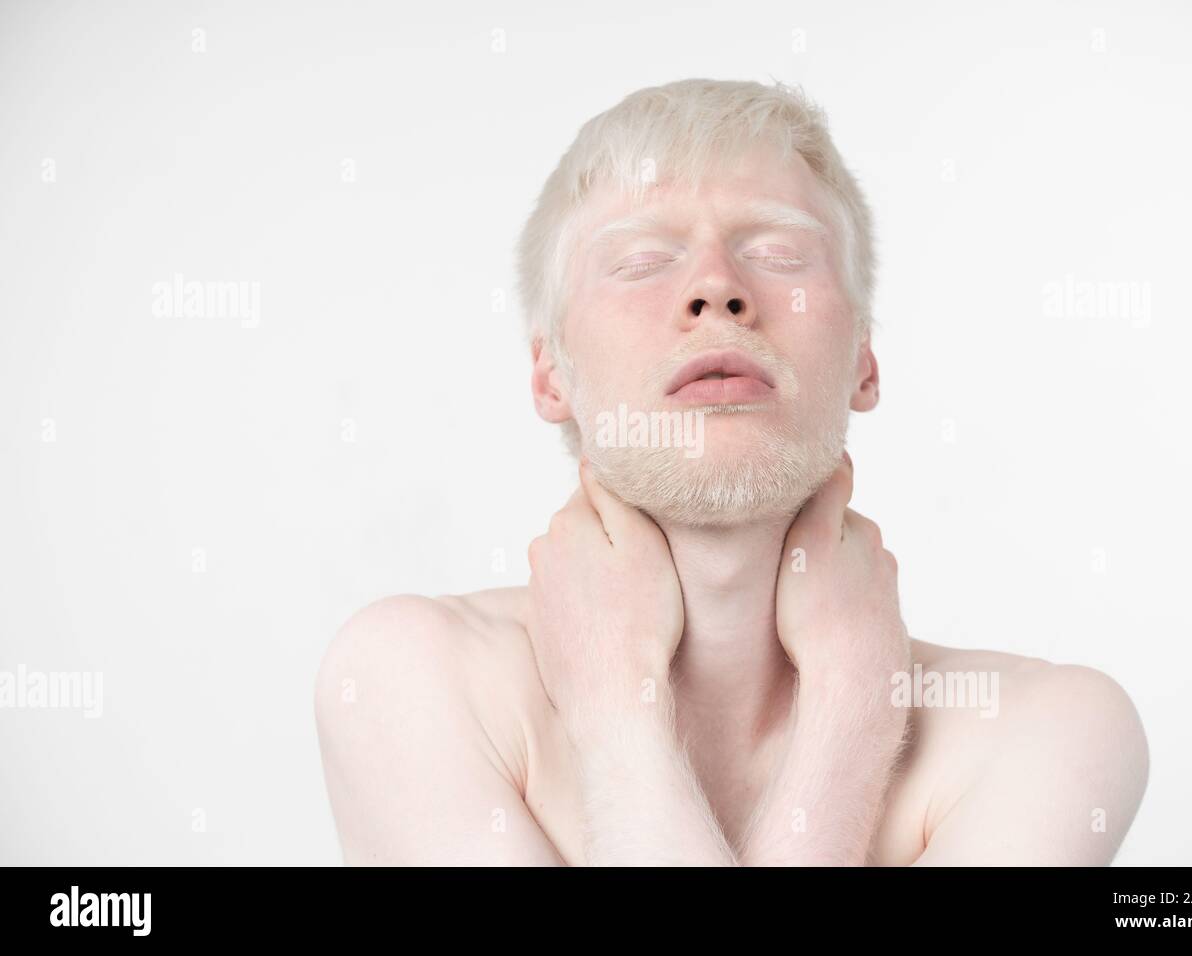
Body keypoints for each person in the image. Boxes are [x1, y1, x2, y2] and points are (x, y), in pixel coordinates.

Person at [313, 78, 1149, 865]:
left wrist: (854, 708)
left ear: (863, 359)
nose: (716, 288)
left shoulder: (1052, 731)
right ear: (550, 376)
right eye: (642, 261)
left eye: (780, 252)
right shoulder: (405, 681)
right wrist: (616, 706)